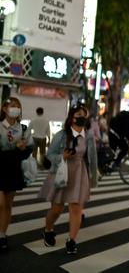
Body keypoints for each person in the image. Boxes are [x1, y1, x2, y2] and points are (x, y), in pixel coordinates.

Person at [39, 104, 98, 255]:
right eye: (79, 114)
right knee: (57, 208)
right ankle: (48, 229)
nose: (82, 117)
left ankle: (72, 240)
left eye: (84, 115)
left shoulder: (88, 135)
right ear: (72, 117)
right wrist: (62, 157)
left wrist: (94, 177)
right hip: (61, 171)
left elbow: (92, 157)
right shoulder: (62, 135)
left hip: (79, 172)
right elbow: (49, 155)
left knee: (76, 208)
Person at [0, 97, 34, 251]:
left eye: (18, 106)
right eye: (12, 106)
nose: (15, 108)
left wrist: (23, 149)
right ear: (4, 109)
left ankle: (2, 235)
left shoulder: (24, 129)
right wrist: (16, 150)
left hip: (13, 170)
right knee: (0, 204)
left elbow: (29, 149)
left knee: (7, 205)